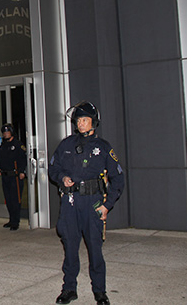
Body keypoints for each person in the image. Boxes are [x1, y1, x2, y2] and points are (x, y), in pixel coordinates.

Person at [48, 101, 125, 305]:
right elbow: (53, 169)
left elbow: (118, 179)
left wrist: (107, 206)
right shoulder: (66, 144)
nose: (81, 124)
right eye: (78, 120)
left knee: (95, 250)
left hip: (93, 204)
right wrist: (62, 178)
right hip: (70, 203)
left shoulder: (103, 147)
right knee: (70, 248)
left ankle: (100, 291)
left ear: (94, 122)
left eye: (85, 120)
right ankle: (69, 289)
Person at [0, 123, 27, 230]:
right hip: (5, 176)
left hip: (15, 176)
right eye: (4, 132)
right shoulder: (3, 145)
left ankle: (15, 222)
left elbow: (23, 159)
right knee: (8, 199)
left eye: (7, 132)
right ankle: (11, 219)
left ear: (12, 132)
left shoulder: (18, 145)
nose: (6, 134)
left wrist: (22, 172)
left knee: (15, 199)